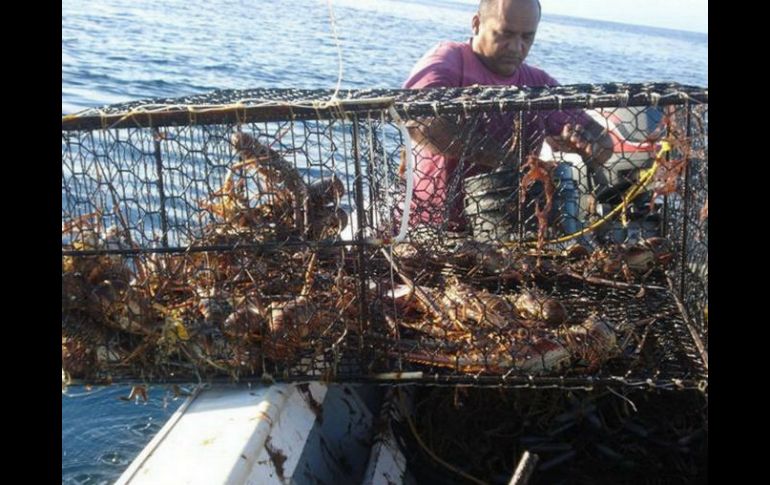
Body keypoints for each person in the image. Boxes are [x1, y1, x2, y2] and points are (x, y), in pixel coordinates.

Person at [402, 0, 614, 232]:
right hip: (433, 228)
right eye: (505, 34)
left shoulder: (537, 85)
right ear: (476, 24)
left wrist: (583, 143)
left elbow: (604, 143)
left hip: (510, 232)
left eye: (526, 37)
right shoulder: (449, 61)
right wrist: (507, 160)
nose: (516, 47)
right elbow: (417, 120)